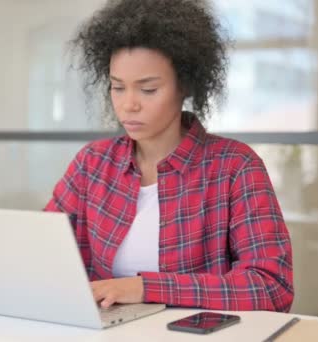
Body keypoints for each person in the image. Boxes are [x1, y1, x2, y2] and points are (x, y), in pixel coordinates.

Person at [44, 0, 293, 312]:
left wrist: (144, 287)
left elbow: (271, 286)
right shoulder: (92, 164)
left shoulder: (235, 167)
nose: (128, 105)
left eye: (148, 90)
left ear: (185, 85)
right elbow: (43, 251)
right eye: (118, 87)